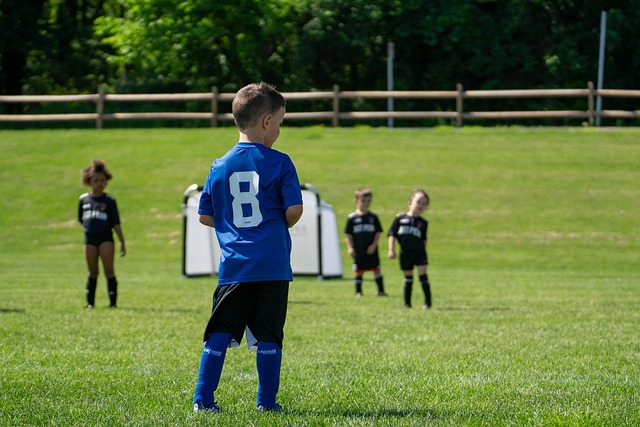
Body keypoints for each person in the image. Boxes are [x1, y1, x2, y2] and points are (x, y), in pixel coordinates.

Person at [193, 82, 303, 414]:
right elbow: (293, 211)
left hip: (235, 266)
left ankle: (203, 399)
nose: (280, 130)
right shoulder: (280, 162)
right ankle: (266, 403)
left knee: (219, 332)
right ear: (267, 121)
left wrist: (234, 227)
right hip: (272, 264)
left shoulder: (219, 165)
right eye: (281, 122)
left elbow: (205, 216)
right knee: (269, 334)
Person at [78, 160, 126, 308]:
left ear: (106, 181)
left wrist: (122, 242)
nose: (99, 183)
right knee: (92, 271)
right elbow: (81, 219)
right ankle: (90, 303)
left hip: (106, 239)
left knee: (109, 270)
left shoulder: (109, 200)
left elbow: (116, 223)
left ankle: (112, 303)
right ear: (89, 181)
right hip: (90, 239)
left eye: (102, 181)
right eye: (96, 180)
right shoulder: (83, 199)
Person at [387, 189, 431, 309]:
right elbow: (392, 234)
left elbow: (424, 239)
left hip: (419, 253)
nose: (421, 205)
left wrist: (424, 252)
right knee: (408, 277)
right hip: (405, 253)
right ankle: (407, 304)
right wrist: (391, 249)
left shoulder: (423, 222)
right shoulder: (400, 218)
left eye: (424, 204)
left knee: (423, 275)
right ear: (410, 203)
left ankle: (427, 302)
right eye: (418, 202)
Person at [344, 188, 387, 297]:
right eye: (363, 200)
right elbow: (348, 234)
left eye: (368, 201)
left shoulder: (373, 217)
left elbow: (378, 232)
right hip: (359, 248)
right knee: (359, 271)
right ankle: (358, 291)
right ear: (356, 201)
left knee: (376, 269)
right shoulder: (352, 218)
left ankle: (381, 291)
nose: (366, 203)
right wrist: (350, 247)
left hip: (371, 249)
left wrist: (374, 244)